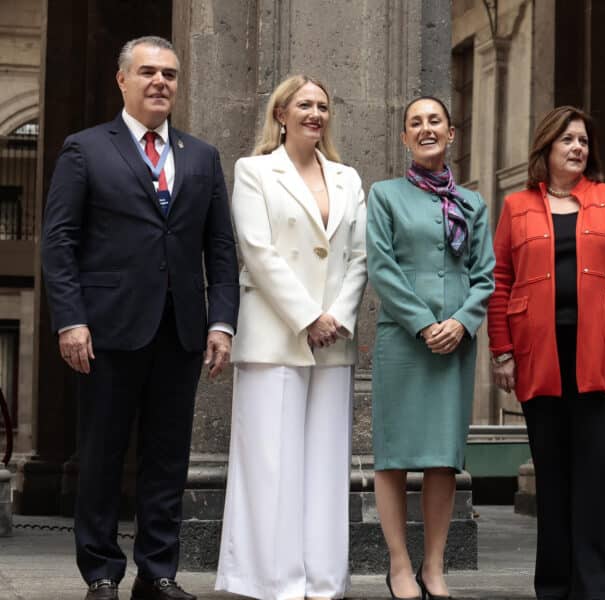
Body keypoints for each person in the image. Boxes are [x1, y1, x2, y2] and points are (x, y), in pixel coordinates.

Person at [40, 36, 238, 600]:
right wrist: (70, 319)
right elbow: (59, 242)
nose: (160, 82)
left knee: (168, 457)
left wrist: (221, 322)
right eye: (148, 72)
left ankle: (158, 572)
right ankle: (101, 572)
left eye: (170, 74)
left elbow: (220, 249)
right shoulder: (85, 149)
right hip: (105, 329)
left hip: (180, 330)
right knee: (101, 454)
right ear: (121, 81)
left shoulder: (201, 157)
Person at [487, 106, 605, 600]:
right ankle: (555, 589)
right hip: (541, 359)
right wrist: (502, 353)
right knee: (553, 481)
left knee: (599, 482)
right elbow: (500, 281)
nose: (578, 148)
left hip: (604, 357)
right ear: (546, 149)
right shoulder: (517, 207)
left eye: (583, 140)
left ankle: (596, 589)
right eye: (567, 141)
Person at [213, 75, 367, 600]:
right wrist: (308, 316)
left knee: (326, 464)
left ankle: (324, 581)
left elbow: (360, 256)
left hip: (334, 338)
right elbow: (256, 250)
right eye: (305, 104)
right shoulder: (254, 171)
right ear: (281, 113)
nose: (316, 113)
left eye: (323, 105)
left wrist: (338, 316)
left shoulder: (348, 177)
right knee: (270, 461)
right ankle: (271, 581)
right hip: (276, 333)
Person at [366, 96, 495, 600]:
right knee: (394, 456)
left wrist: (461, 323)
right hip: (404, 341)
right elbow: (382, 267)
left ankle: (434, 566)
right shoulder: (384, 195)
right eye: (415, 123)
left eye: (434, 121)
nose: (425, 129)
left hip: (456, 344)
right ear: (404, 137)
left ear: (451, 132)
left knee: (442, 458)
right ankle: (399, 565)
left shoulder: (474, 204)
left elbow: (484, 275)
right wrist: (425, 324)